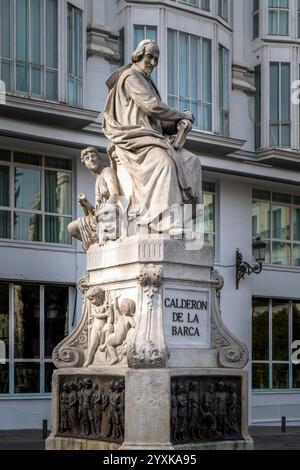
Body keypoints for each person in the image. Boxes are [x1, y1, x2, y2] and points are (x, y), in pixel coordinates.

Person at [103, 39, 202, 234]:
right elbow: (152, 106)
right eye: (149, 57)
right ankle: (166, 221)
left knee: (192, 161)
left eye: (156, 59)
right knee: (163, 162)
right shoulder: (131, 77)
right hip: (134, 137)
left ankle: (186, 220)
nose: (153, 63)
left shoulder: (146, 81)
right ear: (137, 56)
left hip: (152, 136)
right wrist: (181, 114)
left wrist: (176, 125)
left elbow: (156, 119)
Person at [68, 146, 119, 250]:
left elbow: (115, 194)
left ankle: (96, 244)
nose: (91, 159)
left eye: (93, 156)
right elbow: (94, 211)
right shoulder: (97, 179)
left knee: (73, 228)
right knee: (72, 228)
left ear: (99, 158)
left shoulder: (107, 172)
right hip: (98, 217)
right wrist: (86, 205)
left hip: (110, 214)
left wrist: (102, 213)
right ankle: (93, 245)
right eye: (87, 158)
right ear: (85, 163)